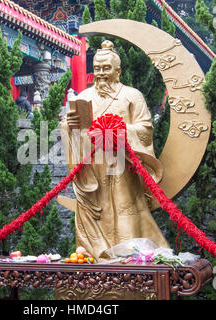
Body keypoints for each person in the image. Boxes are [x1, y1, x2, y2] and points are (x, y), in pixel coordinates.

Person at [61, 40, 170, 261]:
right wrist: (69, 125)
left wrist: (118, 131)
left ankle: (132, 262)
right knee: (95, 218)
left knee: (126, 213)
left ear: (118, 71)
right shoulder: (83, 97)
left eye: (106, 68)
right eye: (97, 68)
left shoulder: (132, 96)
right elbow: (70, 129)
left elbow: (145, 129)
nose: (101, 74)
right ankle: (95, 257)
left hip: (122, 167)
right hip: (92, 171)